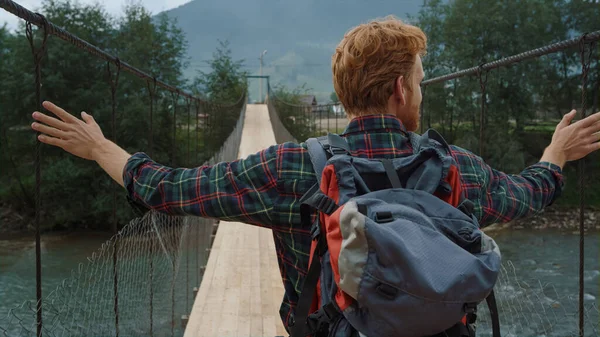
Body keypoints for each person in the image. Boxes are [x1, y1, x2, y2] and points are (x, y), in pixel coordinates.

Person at [31, 16, 599, 334]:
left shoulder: (293, 168)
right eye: (420, 80)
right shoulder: (456, 169)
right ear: (401, 88)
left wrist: (101, 147)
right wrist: (556, 153)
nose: (420, 91)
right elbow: (528, 195)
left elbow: (169, 189)